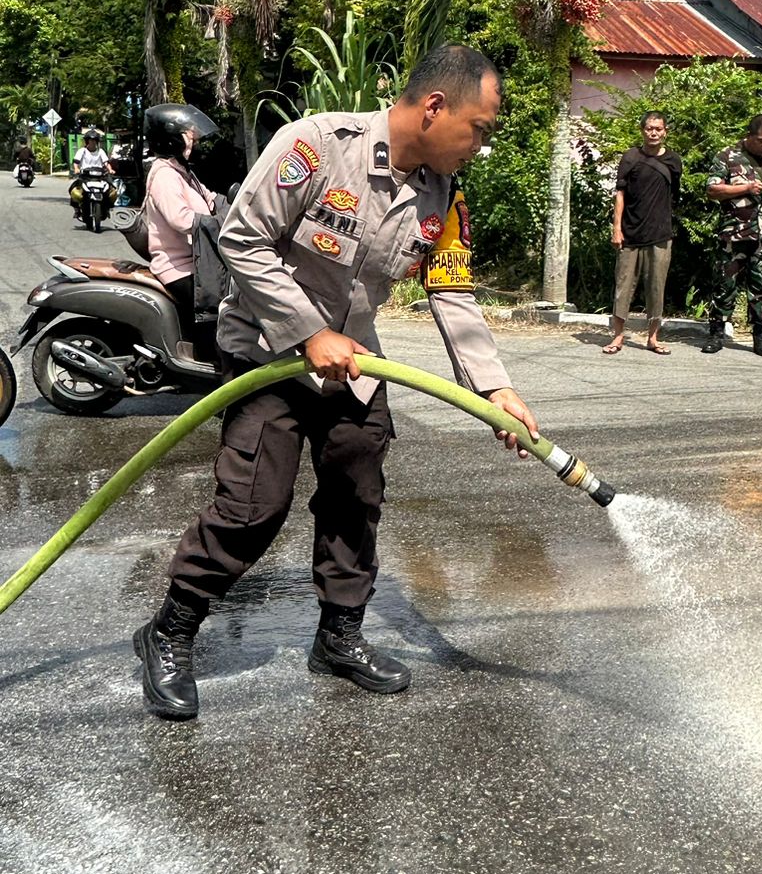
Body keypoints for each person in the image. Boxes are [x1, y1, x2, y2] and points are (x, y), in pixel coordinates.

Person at [133, 44, 539, 721]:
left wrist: (493, 390)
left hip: (354, 363)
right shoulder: (318, 146)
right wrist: (305, 330)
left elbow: (453, 291)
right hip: (267, 354)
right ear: (435, 108)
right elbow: (241, 239)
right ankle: (170, 631)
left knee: (356, 490)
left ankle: (339, 635)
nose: (483, 144)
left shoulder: (443, 193)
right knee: (254, 505)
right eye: (481, 127)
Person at [701, 113, 762, 358]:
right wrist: (747, 187)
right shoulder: (727, 156)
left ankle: (760, 337)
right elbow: (712, 189)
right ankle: (716, 333)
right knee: (724, 285)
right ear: (750, 136)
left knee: (761, 286)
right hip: (734, 234)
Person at [602, 110, 682, 356]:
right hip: (629, 235)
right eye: (649, 128)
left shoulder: (673, 161)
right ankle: (617, 337)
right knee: (623, 286)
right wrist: (617, 228)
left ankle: (653, 338)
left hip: (660, 235)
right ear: (642, 131)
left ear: (665, 131)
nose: (654, 133)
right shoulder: (630, 158)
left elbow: (674, 196)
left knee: (656, 287)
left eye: (658, 128)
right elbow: (620, 194)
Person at [143, 104, 220, 341]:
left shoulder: (182, 170)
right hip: (179, 267)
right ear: (170, 139)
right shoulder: (164, 174)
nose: (193, 139)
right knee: (228, 310)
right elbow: (180, 218)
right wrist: (216, 223)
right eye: (188, 134)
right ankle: (222, 363)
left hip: (198, 260)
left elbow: (211, 198)